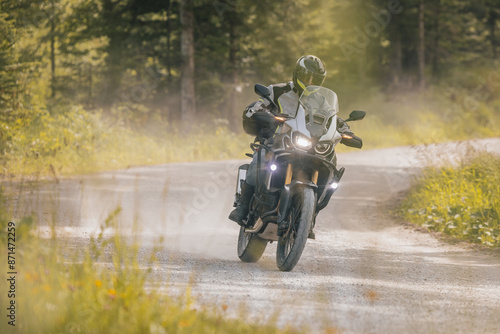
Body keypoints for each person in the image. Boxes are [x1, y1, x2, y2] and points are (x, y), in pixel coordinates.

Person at [229, 55, 355, 226]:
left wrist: (347, 131)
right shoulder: (278, 90)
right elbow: (259, 105)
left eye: (315, 79)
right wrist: (263, 114)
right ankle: (243, 207)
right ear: (297, 74)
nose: (310, 82)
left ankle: (309, 214)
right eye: (306, 77)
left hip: (306, 146)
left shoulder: (320, 101)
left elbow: (334, 119)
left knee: (331, 164)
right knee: (261, 158)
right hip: (278, 141)